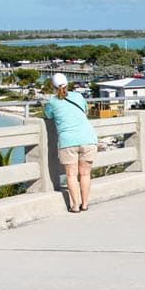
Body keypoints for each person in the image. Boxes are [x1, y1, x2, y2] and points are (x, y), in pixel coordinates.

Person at [42, 72, 98, 212]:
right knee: (85, 174)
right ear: (67, 84)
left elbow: (48, 115)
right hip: (88, 138)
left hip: (68, 141)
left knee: (71, 175)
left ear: (52, 86)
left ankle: (75, 205)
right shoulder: (78, 96)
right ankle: (85, 204)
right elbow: (85, 110)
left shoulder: (52, 102)